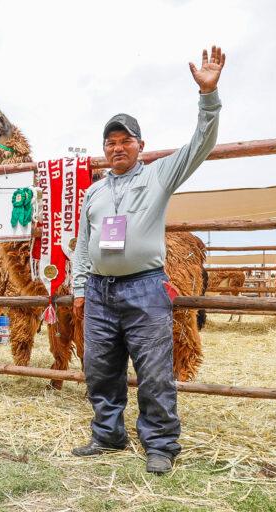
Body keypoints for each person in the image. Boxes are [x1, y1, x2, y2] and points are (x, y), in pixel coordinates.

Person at [71, 46, 225, 474]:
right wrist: (79, 287)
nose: (117, 148)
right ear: (104, 149)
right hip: (100, 291)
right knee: (100, 368)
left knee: (155, 370)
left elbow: (201, 143)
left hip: (145, 285)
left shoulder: (159, 174)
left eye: (126, 141)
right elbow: (83, 243)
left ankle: (160, 443)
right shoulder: (94, 192)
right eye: (111, 142)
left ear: (141, 145)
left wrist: (208, 96)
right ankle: (108, 434)